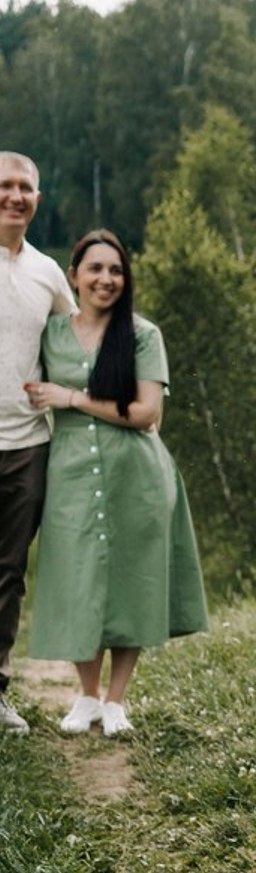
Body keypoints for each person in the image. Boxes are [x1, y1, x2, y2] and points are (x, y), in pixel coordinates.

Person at [23, 230, 208, 736]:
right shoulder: (52, 333)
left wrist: (72, 398)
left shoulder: (142, 335)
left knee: (133, 582)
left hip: (136, 473)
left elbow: (148, 412)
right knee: (78, 577)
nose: (106, 279)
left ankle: (117, 701)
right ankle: (85, 696)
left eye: (116, 270)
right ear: (74, 276)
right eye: (96, 269)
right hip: (70, 472)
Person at [0, 152, 77, 735]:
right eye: (5, 185)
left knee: (8, 572)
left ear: (37, 199)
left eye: (25, 187)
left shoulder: (48, 273)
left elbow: (82, 345)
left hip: (28, 443)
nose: (15, 195)